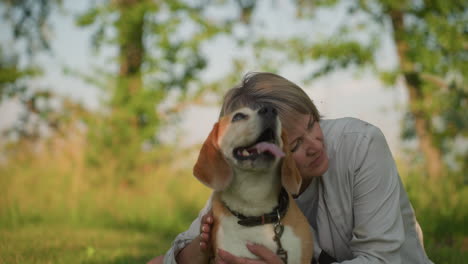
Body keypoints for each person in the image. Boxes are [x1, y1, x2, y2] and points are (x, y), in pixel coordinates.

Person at [149, 72, 433, 264]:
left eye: (312, 123)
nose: (315, 145)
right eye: (294, 144)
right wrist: (205, 243)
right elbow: (169, 259)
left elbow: (382, 258)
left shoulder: (360, 144)